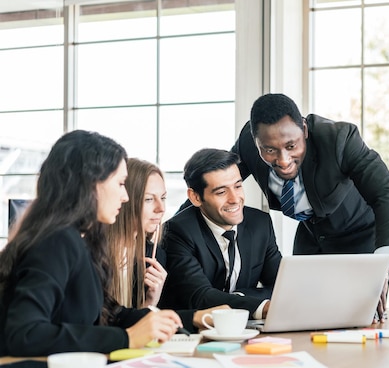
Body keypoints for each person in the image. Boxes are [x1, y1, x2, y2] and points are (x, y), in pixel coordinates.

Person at [0, 130, 182, 356]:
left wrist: (166, 320)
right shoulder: (57, 241)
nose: (125, 197)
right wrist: (128, 338)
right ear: (91, 184)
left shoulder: (83, 239)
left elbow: (109, 313)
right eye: (120, 183)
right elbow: (25, 334)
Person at [231, 93, 389, 319]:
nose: (283, 160)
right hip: (312, 237)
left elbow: (388, 196)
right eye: (270, 150)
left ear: (304, 129)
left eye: (291, 145)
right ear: (256, 143)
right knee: (303, 314)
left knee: (359, 319)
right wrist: (176, 229)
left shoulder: (339, 139)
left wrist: (383, 265)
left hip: (359, 238)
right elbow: (215, 180)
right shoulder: (249, 142)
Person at [105, 157, 229, 332]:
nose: (161, 208)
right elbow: (105, 323)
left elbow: (134, 325)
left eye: (163, 198)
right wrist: (193, 317)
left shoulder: (153, 254)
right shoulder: (96, 253)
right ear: (125, 200)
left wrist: (150, 301)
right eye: (149, 199)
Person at [160, 148, 281, 319]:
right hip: (193, 334)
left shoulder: (260, 224)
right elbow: (200, 297)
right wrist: (260, 304)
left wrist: (239, 297)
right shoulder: (176, 232)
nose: (234, 198)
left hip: (245, 329)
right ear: (195, 197)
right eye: (221, 192)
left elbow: (281, 287)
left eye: (238, 186)